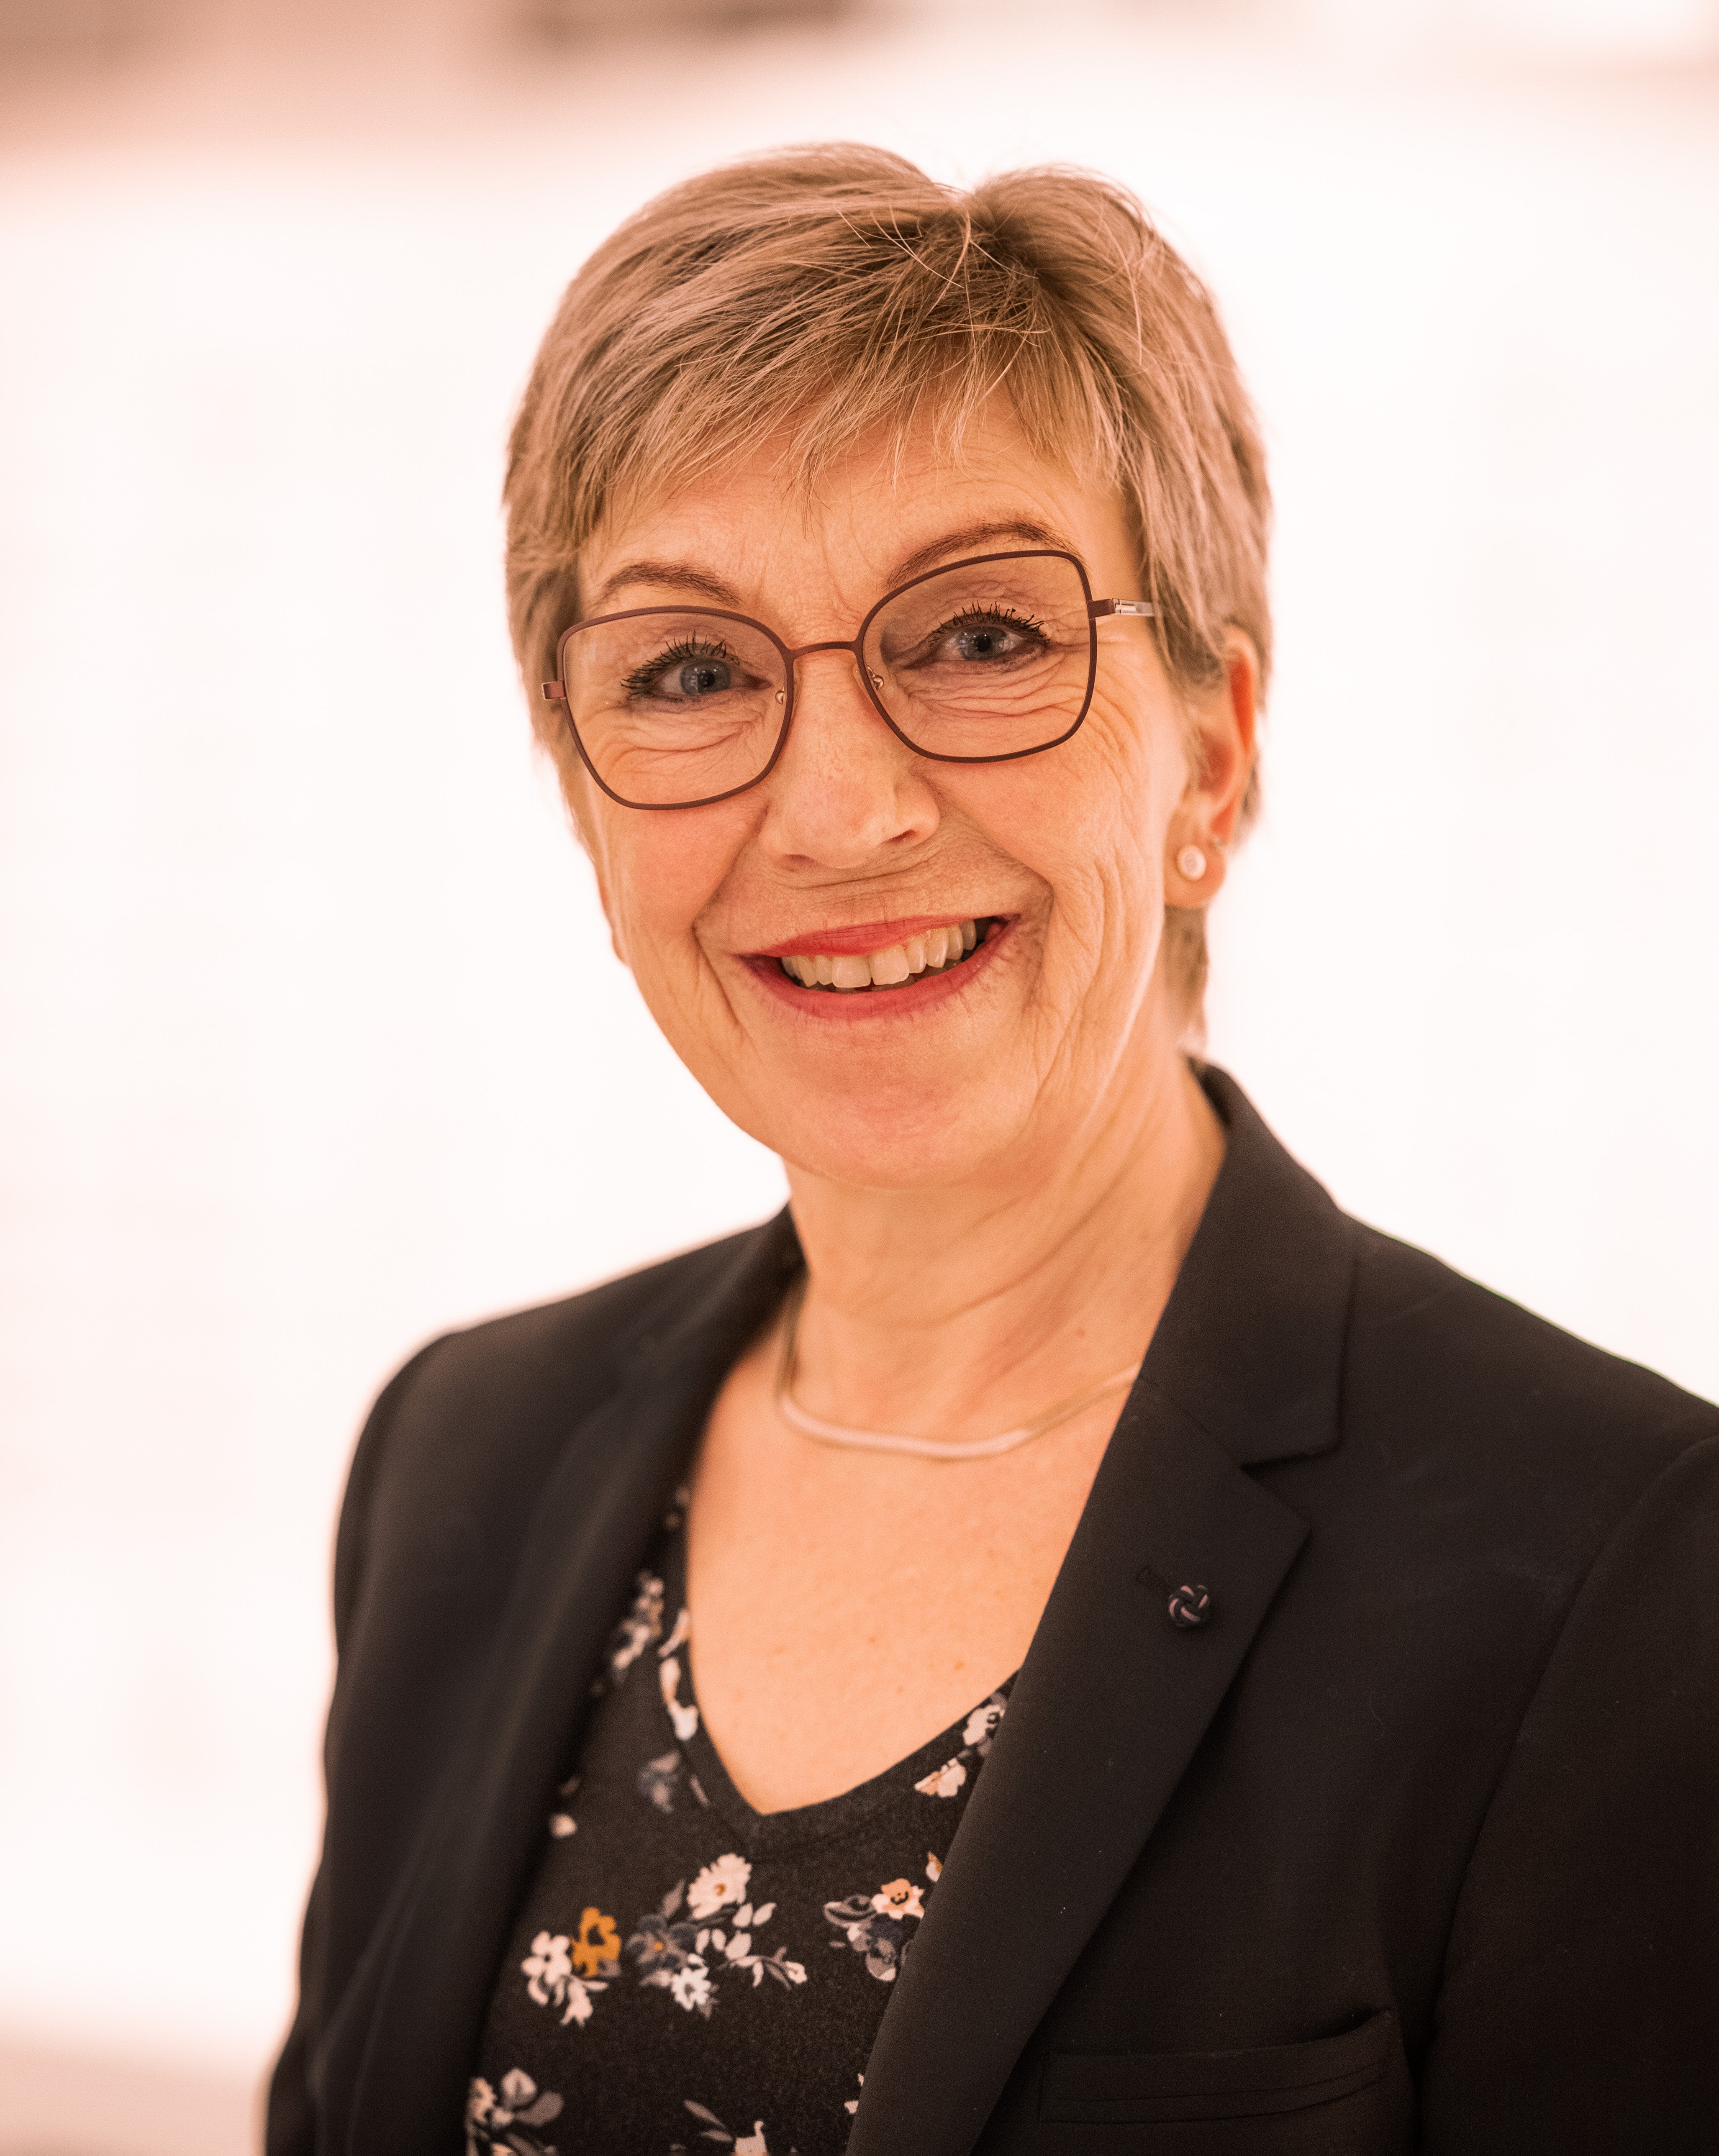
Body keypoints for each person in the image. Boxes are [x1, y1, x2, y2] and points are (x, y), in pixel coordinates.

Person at [266, 146, 1718, 2156]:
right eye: (690, 671)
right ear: (586, 806)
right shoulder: (457, 1451)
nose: (838, 811)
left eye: (974, 637)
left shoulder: (1613, 1570)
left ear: (1210, 753)